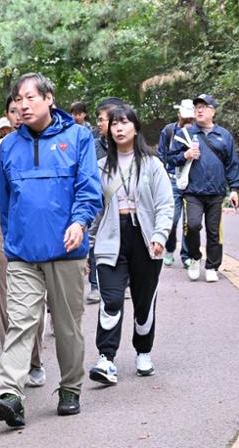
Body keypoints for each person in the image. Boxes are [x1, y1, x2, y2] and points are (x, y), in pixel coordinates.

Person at [0, 73, 101, 428]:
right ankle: (10, 394)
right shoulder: (8, 146)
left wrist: (79, 222)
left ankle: (70, 388)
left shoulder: (78, 137)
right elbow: (6, 203)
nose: (23, 105)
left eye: (30, 98)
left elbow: (89, 188)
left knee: (67, 327)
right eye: (18, 100)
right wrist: (12, 242)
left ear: (49, 98)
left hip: (66, 251)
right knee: (21, 323)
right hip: (23, 254)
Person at [88, 104, 173, 386]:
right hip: (111, 238)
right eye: (114, 123)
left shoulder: (152, 164)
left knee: (144, 302)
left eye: (124, 122)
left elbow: (165, 204)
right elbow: (94, 209)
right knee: (111, 299)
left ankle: (143, 351)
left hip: (146, 240)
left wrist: (159, 236)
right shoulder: (100, 167)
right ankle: (106, 358)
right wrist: (87, 246)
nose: (119, 128)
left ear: (135, 128)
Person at [0, 94, 47, 388]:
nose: (20, 113)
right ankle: (13, 361)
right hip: (4, 229)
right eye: (13, 109)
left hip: (39, 231)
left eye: (25, 106)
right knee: (6, 299)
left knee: (35, 299)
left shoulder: (47, 143)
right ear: (7, 115)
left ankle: (35, 359)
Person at [168, 93, 239, 282]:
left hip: (216, 192)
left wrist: (234, 189)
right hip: (192, 191)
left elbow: (232, 163)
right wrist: (185, 155)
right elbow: (170, 158)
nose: (199, 110)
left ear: (213, 111)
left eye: (204, 107)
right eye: (197, 107)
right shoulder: (185, 134)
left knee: (214, 231)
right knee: (192, 225)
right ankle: (194, 257)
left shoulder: (224, 136)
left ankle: (212, 267)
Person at [88, 97, 126, 304]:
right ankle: (95, 285)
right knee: (95, 241)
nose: (99, 123)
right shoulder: (93, 146)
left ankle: (124, 282)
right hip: (98, 202)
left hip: (123, 206)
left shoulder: (129, 146)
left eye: (102, 119)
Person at [156, 99, 194, 267]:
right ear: (179, 114)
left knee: (190, 222)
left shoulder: (198, 132)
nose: (188, 120)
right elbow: (162, 156)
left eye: (190, 117)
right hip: (172, 180)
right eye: (185, 117)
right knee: (172, 219)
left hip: (193, 181)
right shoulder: (169, 131)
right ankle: (170, 248)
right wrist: (183, 157)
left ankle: (186, 255)